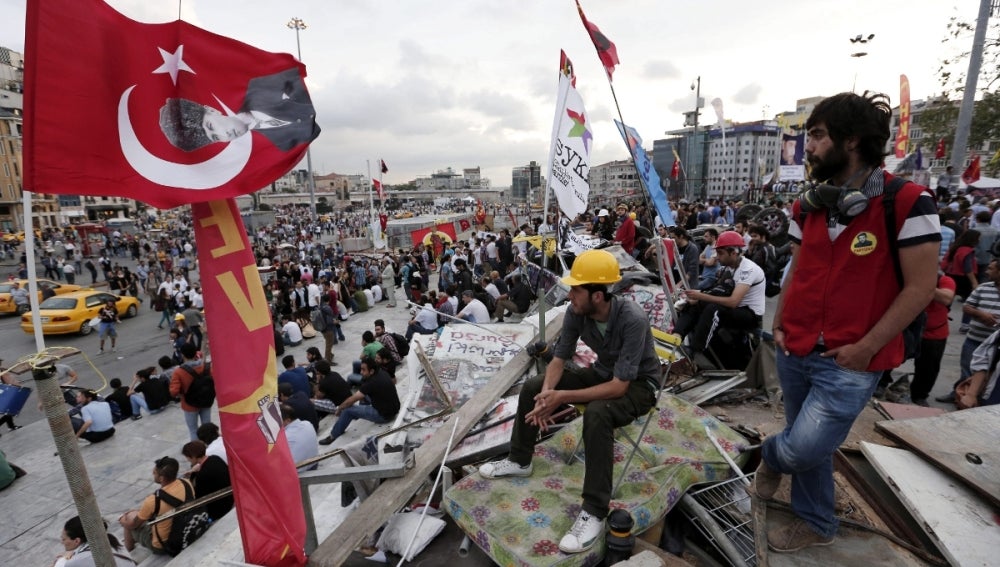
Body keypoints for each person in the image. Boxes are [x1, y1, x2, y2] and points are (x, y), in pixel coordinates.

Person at [760, 92, 940, 553]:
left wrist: (866, 348)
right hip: (795, 346)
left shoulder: (908, 202)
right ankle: (817, 521)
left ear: (852, 140)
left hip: (853, 358)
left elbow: (920, 289)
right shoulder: (810, 205)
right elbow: (796, 268)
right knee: (814, 448)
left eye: (818, 136)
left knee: (801, 448)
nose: (810, 148)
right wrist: (780, 322)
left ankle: (769, 455)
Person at [478, 249, 659, 554]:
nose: (570, 293)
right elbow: (559, 359)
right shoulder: (576, 312)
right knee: (534, 385)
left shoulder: (632, 319)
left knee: (599, 413)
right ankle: (519, 459)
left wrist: (563, 396)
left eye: (577, 288)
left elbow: (619, 387)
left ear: (598, 295)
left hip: (638, 387)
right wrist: (548, 394)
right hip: (603, 375)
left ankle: (595, 510)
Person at [158, 68, 320, 152]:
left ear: (212, 110)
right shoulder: (275, 147)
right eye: (215, 137)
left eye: (211, 126)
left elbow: (293, 75)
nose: (224, 134)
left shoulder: (260, 87)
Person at [674, 230, 765, 357]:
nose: (717, 256)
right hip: (737, 309)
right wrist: (697, 297)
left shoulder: (748, 269)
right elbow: (718, 290)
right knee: (696, 303)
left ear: (733, 253)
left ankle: (696, 351)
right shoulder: (728, 268)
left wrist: (701, 296)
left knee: (713, 308)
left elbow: (733, 302)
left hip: (750, 314)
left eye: (720, 253)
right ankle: (676, 336)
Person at [318, 356, 400, 445]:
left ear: (371, 371)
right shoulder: (382, 372)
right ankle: (358, 414)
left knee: (347, 410)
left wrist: (340, 408)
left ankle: (333, 436)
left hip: (383, 416)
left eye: (364, 370)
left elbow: (352, 400)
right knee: (363, 397)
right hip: (394, 409)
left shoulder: (370, 383)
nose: (361, 372)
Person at [119, 457, 190, 555]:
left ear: (161, 478)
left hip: (163, 545)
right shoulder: (186, 483)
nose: (153, 474)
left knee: (128, 519)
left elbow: (134, 524)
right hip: (184, 529)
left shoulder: (153, 500)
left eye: (155, 472)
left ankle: (129, 552)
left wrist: (122, 520)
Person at [909, 273, 956, 406]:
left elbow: (946, 298)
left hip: (934, 333)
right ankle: (882, 384)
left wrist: (921, 285)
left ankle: (919, 395)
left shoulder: (944, 280)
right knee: (889, 357)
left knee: (928, 367)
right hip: (907, 328)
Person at [180, 440, 233, 521]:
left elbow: (199, 498)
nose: (187, 460)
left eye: (187, 457)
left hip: (219, 509)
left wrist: (191, 481)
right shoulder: (215, 458)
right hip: (230, 497)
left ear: (193, 456)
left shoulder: (203, 475)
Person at [170, 343, 214, 441]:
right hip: (206, 401)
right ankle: (210, 448)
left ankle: (198, 452)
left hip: (189, 404)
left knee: (193, 430)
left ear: (182, 355)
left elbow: (174, 392)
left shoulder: (178, 372)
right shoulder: (205, 367)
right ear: (195, 353)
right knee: (207, 427)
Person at [54, 515, 134, 567]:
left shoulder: (77, 561)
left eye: (63, 539)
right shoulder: (109, 537)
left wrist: (60, 561)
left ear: (77, 541)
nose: (62, 542)